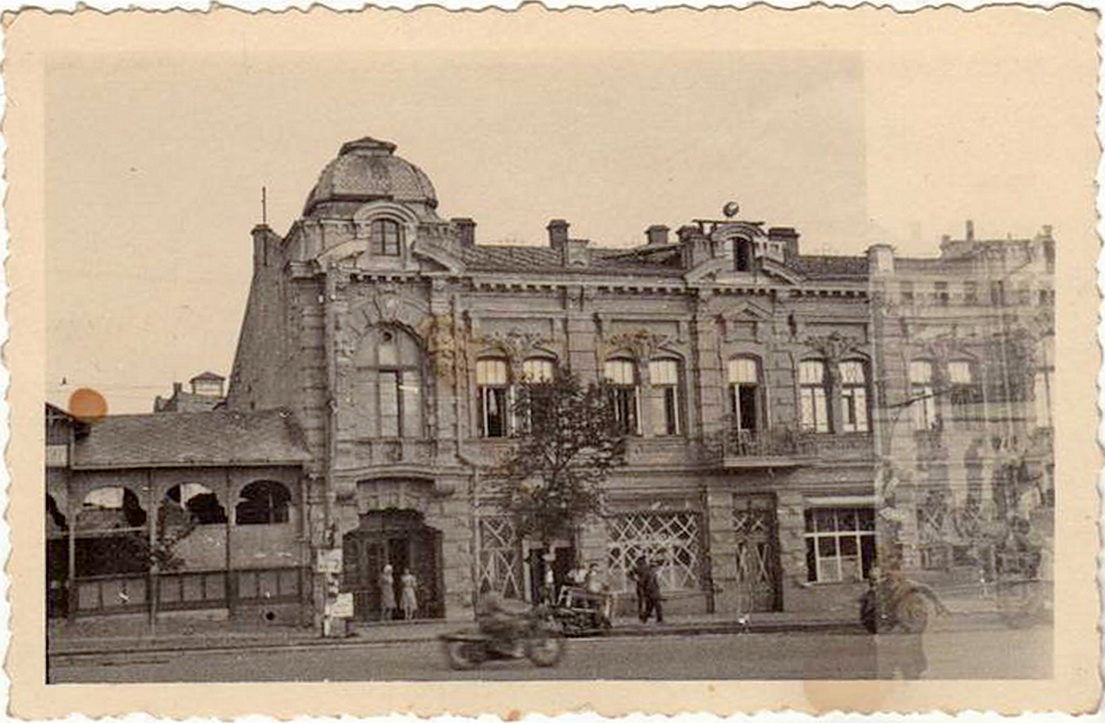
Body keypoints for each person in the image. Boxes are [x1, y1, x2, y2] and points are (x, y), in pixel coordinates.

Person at [476, 590, 527, 656]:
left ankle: (505, 645)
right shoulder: (493, 596)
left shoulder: (488, 597)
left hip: (486, 621)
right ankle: (507, 647)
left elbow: (501, 609)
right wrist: (516, 614)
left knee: (508, 622)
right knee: (511, 624)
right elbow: (502, 608)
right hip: (489, 622)